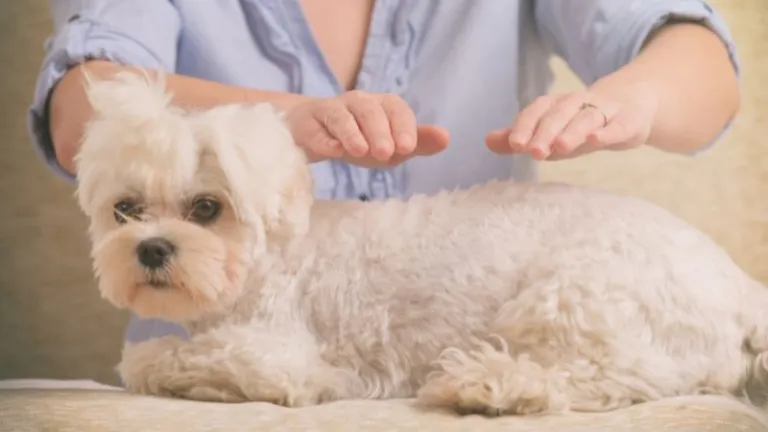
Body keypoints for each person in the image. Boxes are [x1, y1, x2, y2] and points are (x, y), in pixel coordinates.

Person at [29, 0, 740, 345]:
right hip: (212, 380)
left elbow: (703, 68)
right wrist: (280, 125)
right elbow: (79, 110)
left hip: (487, 368)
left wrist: (637, 99)